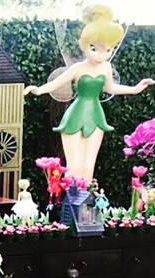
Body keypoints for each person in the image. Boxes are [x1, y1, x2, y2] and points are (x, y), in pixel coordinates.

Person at [24, 4, 154, 181]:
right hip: (76, 115)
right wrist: (38, 90)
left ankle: (86, 197)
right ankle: (71, 197)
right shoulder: (78, 68)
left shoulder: (106, 67)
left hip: (96, 116)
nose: (102, 55)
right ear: (84, 45)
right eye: (95, 48)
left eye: (108, 50)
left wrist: (135, 89)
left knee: (88, 166)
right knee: (74, 166)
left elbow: (110, 88)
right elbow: (56, 83)